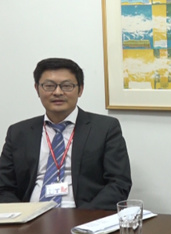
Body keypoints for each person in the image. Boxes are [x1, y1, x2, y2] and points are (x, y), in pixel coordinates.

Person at [0, 58, 132, 210]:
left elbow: (119, 183)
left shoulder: (105, 128)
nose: (57, 92)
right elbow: (4, 187)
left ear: (80, 89)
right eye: (49, 86)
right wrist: (23, 218)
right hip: (30, 219)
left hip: (83, 217)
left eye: (67, 86)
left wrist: (81, 219)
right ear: (37, 89)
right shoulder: (18, 132)